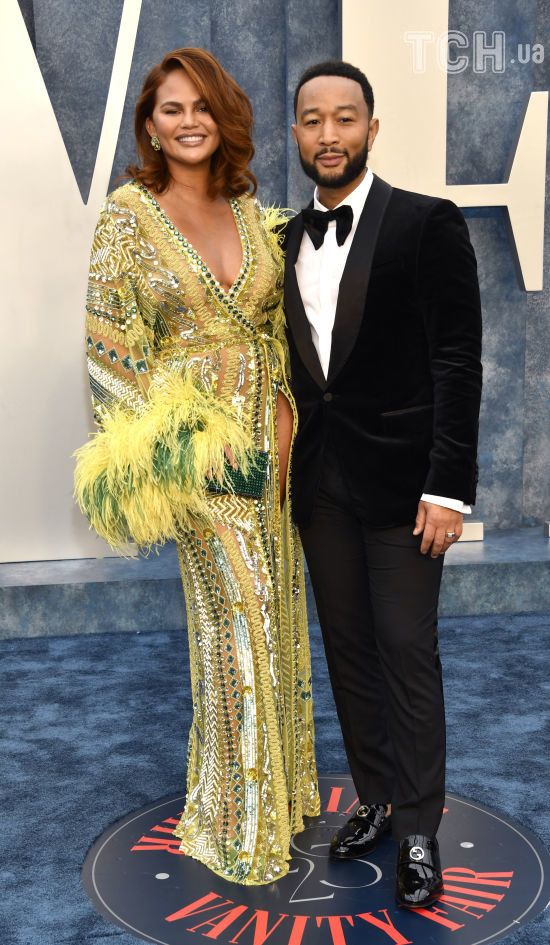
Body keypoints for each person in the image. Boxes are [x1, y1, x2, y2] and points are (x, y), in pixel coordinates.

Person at [74, 47, 319, 886]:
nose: (188, 121)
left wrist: (285, 416)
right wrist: (187, 456)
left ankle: (278, 798)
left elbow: (276, 328)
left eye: (202, 107)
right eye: (171, 108)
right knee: (236, 623)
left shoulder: (248, 207)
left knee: (276, 615)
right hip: (199, 458)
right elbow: (112, 352)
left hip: (276, 446)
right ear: (148, 125)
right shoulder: (128, 216)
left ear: (224, 117)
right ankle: (237, 824)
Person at [283, 60, 482, 907]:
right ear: (296, 133)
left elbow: (457, 362)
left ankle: (421, 828)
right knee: (350, 649)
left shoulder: (426, 223)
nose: (329, 134)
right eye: (313, 120)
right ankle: (374, 794)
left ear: (371, 127)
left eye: (345, 118)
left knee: (406, 648)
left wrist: (449, 486)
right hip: (321, 486)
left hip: (407, 489)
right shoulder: (285, 237)